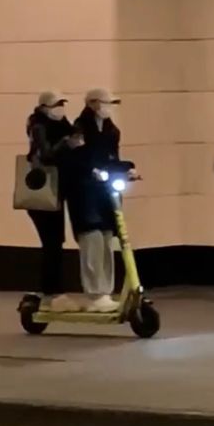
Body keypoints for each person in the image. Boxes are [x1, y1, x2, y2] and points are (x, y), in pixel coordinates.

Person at [66, 88, 134, 313]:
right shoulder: (79, 127)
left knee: (107, 239)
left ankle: (106, 291)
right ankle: (94, 292)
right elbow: (76, 159)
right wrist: (91, 170)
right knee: (92, 241)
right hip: (84, 194)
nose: (109, 108)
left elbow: (113, 158)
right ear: (93, 104)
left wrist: (127, 169)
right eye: (106, 103)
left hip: (104, 194)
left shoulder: (112, 130)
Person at [26, 90, 81, 310]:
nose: (61, 109)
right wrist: (66, 144)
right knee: (51, 242)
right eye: (56, 105)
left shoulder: (61, 125)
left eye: (62, 104)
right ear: (45, 108)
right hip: (44, 192)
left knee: (55, 242)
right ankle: (51, 291)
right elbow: (46, 155)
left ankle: (53, 289)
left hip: (56, 190)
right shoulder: (39, 126)